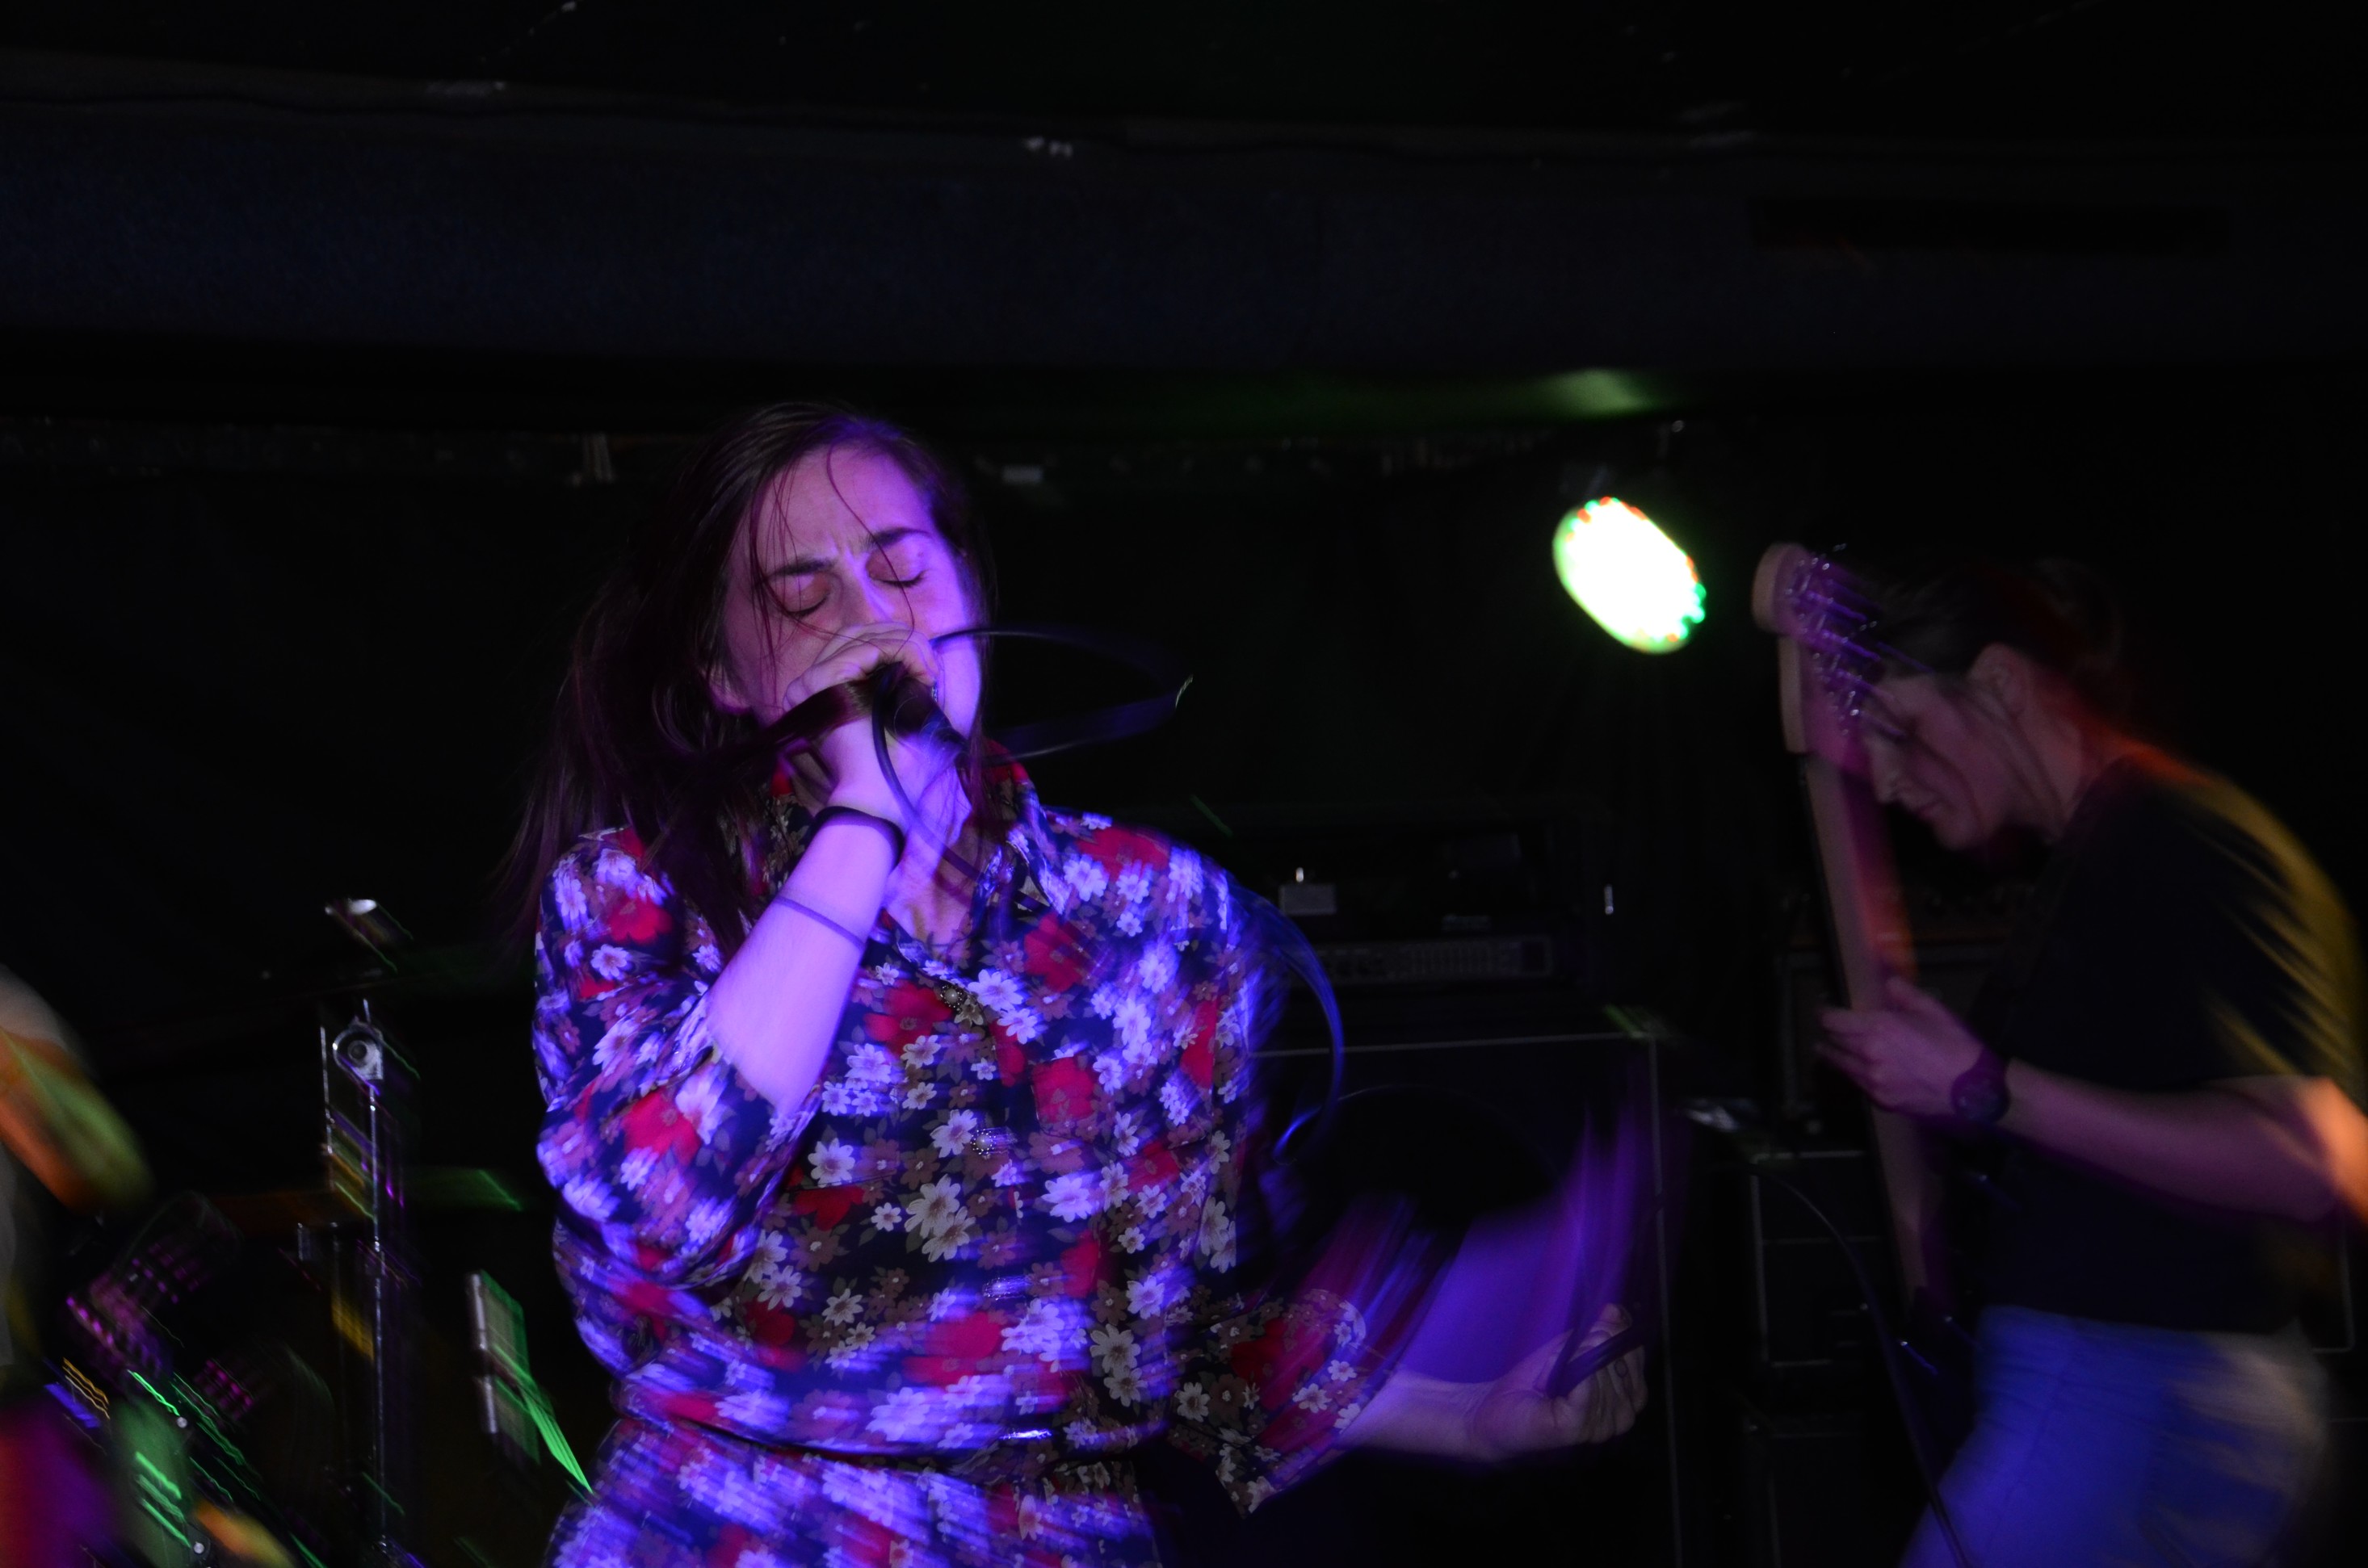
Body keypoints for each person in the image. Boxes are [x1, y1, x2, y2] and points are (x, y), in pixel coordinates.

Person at [513, 405, 1647, 1566]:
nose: (870, 616)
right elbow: (662, 1203)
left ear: (970, 592)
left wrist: (1466, 1407)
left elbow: (1184, 1334)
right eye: (803, 596)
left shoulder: (1153, 914)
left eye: (901, 567)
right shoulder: (639, 898)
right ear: (722, 672)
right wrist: (864, 815)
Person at [1818, 559, 2368, 1567]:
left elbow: (2313, 1157)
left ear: (1998, 682)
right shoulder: (2095, 862)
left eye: (1900, 731)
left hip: (2124, 1389)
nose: (1885, 782)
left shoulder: (2177, 837)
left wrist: (1985, 1091)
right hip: (2133, 1394)